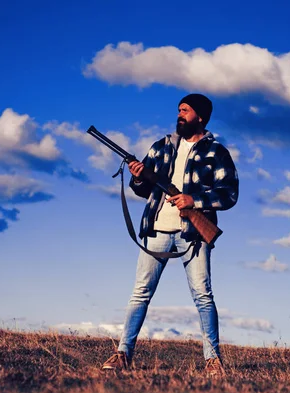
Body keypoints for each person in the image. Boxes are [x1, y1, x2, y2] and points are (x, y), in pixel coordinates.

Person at [101, 93, 239, 376]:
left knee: (203, 295)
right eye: (178, 110)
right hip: (157, 228)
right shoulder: (161, 147)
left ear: (200, 117)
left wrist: (194, 201)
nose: (180, 114)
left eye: (185, 110)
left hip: (193, 233)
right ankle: (122, 354)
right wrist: (138, 175)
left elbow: (229, 194)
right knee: (140, 293)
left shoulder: (216, 152)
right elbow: (142, 189)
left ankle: (212, 360)